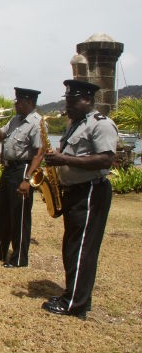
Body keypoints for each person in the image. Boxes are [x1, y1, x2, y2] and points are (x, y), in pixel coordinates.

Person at [41, 80, 118, 320]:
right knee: (72, 246)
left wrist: (64, 160)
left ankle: (75, 304)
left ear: (88, 100)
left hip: (91, 191)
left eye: (73, 101)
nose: (68, 105)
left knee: (82, 248)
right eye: (67, 100)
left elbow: (106, 160)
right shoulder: (74, 125)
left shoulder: (101, 125)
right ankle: (74, 294)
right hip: (75, 191)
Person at [0, 87, 45, 268]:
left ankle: (19, 257)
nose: (15, 104)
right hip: (9, 168)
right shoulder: (15, 120)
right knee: (1, 211)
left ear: (29, 102)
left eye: (19, 101)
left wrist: (27, 179)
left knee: (19, 214)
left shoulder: (37, 123)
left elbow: (39, 153)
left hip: (23, 168)